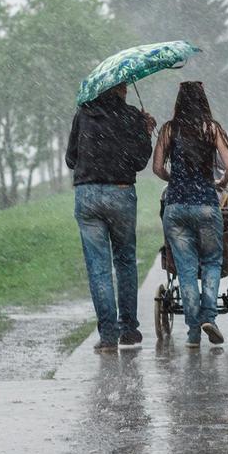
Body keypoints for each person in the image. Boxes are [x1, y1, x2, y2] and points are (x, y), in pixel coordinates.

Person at [65, 83, 156, 353]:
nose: (127, 91)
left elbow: (71, 159)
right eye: (124, 87)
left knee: (98, 268)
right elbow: (140, 161)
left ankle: (107, 336)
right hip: (121, 193)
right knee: (126, 261)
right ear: (119, 90)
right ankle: (128, 329)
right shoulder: (131, 116)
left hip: (87, 195)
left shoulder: (83, 114)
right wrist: (145, 131)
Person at [153, 81, 228, 348]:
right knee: (212, 262)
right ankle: (209, 318)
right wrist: (221, 183)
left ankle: (192, 333)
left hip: (176, 207)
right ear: (203, 101)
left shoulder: (168, 129)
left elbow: (157, 168)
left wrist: (173, 178)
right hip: (205, 205)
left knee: (186, 269)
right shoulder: (212, 129)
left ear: (179, 101)